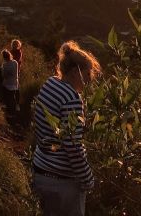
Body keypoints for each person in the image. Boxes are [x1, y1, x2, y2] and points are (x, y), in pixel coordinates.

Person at [32, 41, 101, 216]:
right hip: (63, 183)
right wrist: (87, 179)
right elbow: (73, 147)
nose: (90, 78)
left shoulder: (50, 83)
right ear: (74, 72)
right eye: (87, 73)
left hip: (41, 170)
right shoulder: (72, 98)